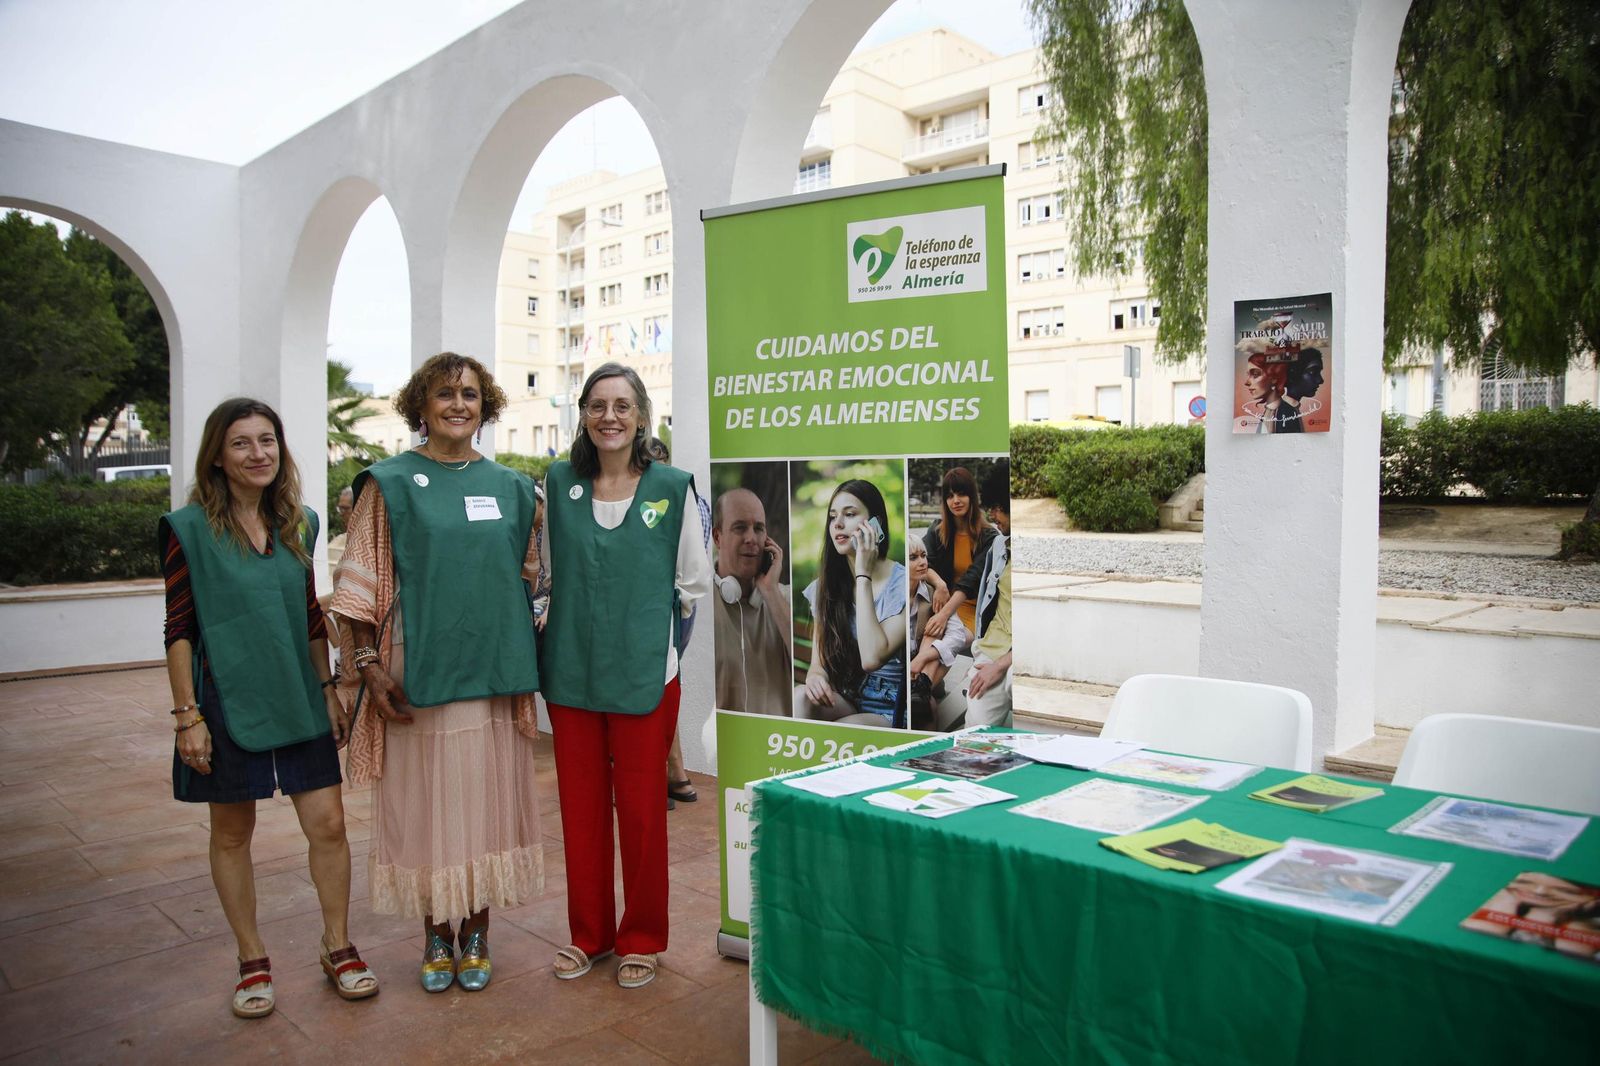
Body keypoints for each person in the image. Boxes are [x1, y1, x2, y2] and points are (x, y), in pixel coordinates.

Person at [331, 352, 543, 994]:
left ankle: (477, 932)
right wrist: (367, 667)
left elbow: (528, 579)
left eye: (471, 394)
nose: (459, 404)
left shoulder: (513, 488)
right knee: (425, 807)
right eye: (445, 393)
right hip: (414, 679)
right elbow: (357, 585)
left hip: (493, 678)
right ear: (419, 405)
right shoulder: (387, 483)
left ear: (487, 406)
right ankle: (434, 933)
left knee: (483, 806)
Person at [159, 398, 376, 1018]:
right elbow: (178, 626)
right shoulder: (187, 529)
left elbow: (311, 616)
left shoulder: (299, 522)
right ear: (218, 458)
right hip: (225, 697)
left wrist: (328, 687)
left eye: (268, 441)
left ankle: (336, 945)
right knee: (232, 832)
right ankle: (251, 958)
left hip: (297, 693)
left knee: (329, 825)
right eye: (241, 444)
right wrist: (186, 715)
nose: (259, 454)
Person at [540, 362, 711, 990]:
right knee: (580, 811)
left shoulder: (672, 486)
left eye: (621, 405)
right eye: (596, 405)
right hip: (572, 675)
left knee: (641, 812)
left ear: (641, 414)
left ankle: (641, 937)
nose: (608, 417)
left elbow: (692, 581)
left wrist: (653, 636)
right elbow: (549, 571)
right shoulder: (560, 483)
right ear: (583, 415)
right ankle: (589, 935)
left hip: (645, 673)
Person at [793, 479, 907, 726]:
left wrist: (863, 574)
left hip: (890, 710)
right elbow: (817, 665)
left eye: (850, 514)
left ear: (876, 524)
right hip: (849, 699)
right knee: (799, 697)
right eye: (833, 517)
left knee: (846, 729)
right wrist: (815, 678)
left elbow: (871, 658)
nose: (838, 524)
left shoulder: (904, 585)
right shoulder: (828, 585)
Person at [647, 436, 709, 808]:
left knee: (655, 691)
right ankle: (676, 772)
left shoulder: (665, 500)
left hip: (663, 607)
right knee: (666, 686)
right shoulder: (695, 498)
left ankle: (659, 774)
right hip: (682, 607)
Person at [913, 466, 999, 720]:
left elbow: (971, 581)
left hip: (973, 612)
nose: (956, 501)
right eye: (950, 496)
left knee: (942, 633)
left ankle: (920, 682)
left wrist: (943, 615)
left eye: (961, 494)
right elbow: (922, 563)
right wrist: (939, 584)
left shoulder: (988, 536)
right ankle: (923, 692)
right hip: (946, 606)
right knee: (933, 629)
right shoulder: (938, 530)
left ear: (972, 497)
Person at [712, 487, 792, 717]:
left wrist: (770, 593)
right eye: (739, 528)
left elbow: (819, 667)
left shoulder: (782, 599)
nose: (751, 538)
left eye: (758, 528)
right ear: (718, 537)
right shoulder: (700, 604)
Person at [966, 460, 1013, 728]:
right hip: (993, 647)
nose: (993, 516)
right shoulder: (1000, 545)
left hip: (1019, 657)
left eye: (997, 509)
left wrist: (1002, 665)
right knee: (975, 728)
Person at [906, 531, 967, 730]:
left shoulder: (934, 594)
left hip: (925, 668)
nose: (923, 562)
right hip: (898, 672)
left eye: (924, 556)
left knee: (937, 626)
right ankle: (921, 692)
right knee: (925, 704)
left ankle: (922, 691)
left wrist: (924, 657)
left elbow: (958, 634)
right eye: (913, 558)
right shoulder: (889, 596)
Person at [1242, 351, 1304, 434]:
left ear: (1274, 378)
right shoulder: (1269, 411)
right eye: (1248, 375)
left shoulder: (1287, 411)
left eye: (1255, 374)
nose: (1247, 382)